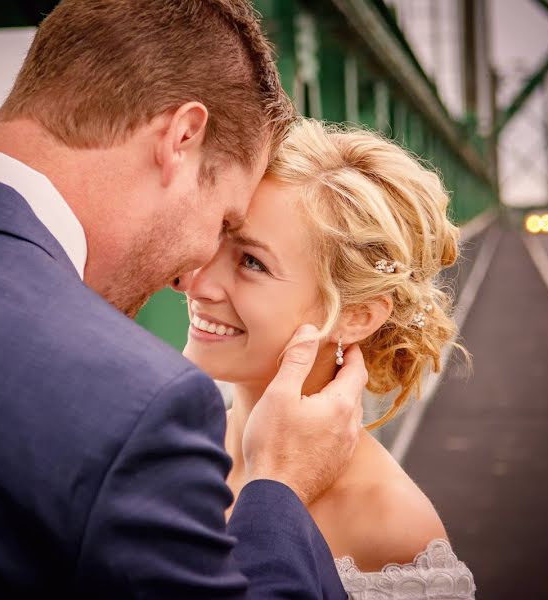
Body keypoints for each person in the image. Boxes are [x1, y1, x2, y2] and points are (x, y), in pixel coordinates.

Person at [0, 2, 366, 597]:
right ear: (181, 138)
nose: (190, 279)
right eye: (222, 220)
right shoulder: (140, 403)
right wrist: (278, 489)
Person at [176, 119, 478, 599]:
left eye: (252, 262)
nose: (194, 281)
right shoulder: (171, 447)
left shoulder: (393, 528)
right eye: (216, 238)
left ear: (355, 317)